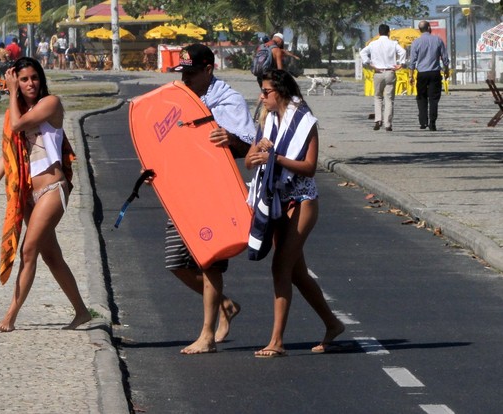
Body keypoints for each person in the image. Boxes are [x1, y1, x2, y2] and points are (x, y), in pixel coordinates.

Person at [0, 57, 92, 332]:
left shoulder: (51, 104)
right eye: (23, 79)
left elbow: (17, 126)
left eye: (34, 78)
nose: (30, 84)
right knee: (52, 256)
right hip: (28, 195)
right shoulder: (19, 110)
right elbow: (8, 157)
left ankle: (10, 317)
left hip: (51, 189)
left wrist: (11, 92)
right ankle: (82, 312)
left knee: (28, 251)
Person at [158, 43, 256, 354]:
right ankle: (225, 305)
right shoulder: (178, 101)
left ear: (208, 70)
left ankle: (207, 335)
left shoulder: (228, 101)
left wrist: (232, 140)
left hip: (214, 190)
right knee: (175, 262)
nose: (185, 78)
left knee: (209, 260)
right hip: (182, 190)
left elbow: (251, 150)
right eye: (182, 72)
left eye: (191, 72)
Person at [245, 69, 345, 357]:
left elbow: (311, 167)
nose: (261, 97)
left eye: (266, 92)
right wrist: (260, 152)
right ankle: (332, 323)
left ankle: (276, 341)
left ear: (281, 92)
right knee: (297, 272)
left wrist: (276, 157)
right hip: (276, 199)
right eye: (261, 91)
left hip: (302, 200)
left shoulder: (304, 122)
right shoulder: (267, 121)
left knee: (280, 267)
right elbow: (250, 163)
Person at [359, 24, 406, 132]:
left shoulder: (373, 43)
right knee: (389, 99)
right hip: (390, 72)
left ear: (379, 33)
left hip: (378, 72)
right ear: (389, 32)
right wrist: (401, 64)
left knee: (378, 97)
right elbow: (403, 51)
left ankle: (378, 119)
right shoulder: (393, 43)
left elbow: (362, 52)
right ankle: (388, 124)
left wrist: (369, 63)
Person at [408, 20, 450, 131]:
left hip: (421, 73)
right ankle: (432, 122)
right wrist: (446, 70)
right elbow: (444, 58)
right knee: (433, 99)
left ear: (419, 29)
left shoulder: (416, 42)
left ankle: (423, 122)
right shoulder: (438, 40)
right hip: (435, 73)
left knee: (421, 97)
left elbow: (412, 61)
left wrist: (411, 75)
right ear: (429, 28)